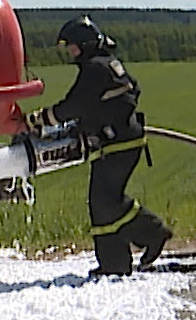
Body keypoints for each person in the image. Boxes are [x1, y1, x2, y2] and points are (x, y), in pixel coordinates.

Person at [26, 16, 172, 275]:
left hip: (118, 143)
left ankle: (151, 234)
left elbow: (75, 105)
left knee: (105, 201)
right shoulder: (107, 64)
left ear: (85, 45)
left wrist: (42, 119)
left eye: (73, 47)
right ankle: (116, 263)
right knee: (102, 202)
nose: (71, 53)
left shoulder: (95, 69)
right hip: (119, 140)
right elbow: (131, 90)